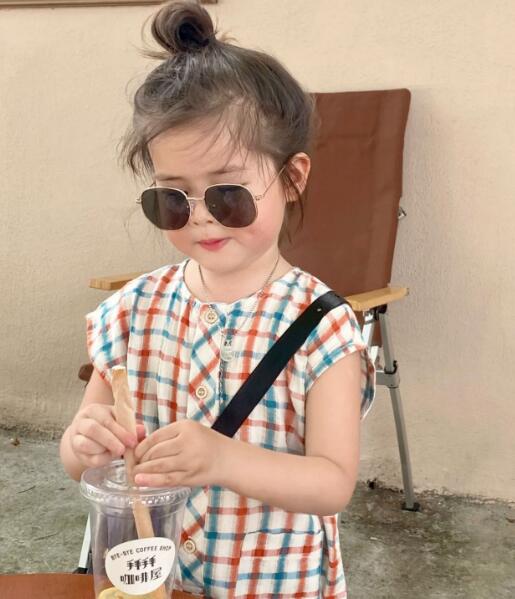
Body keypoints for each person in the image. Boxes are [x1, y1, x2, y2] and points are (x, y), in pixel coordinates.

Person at [60, 1, 376, 596]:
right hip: (158, 580)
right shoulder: (133, 311)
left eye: (227, 193)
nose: (201, 217)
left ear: (292, 178)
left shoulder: (324, 327)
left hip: (272, 581)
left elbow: (332, 483)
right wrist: (83, 443)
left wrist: (223, 459)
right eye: (173, 198)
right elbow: (82, 458)